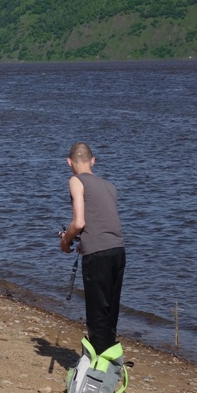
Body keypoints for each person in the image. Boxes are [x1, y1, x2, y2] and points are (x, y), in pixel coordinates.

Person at [59, 142, 126, 356]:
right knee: (110, 312)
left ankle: (97, 366)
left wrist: (65, 241)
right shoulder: (110, 186)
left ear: (69, 162)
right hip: (118, 251)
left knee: (97, 313)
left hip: (98, 256)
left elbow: (79, 222)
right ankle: (109, 361)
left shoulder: (75, 180)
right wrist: (83, 243)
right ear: (93, 161)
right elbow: (102, 222)